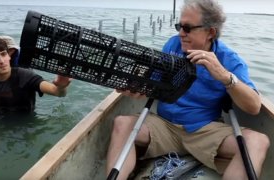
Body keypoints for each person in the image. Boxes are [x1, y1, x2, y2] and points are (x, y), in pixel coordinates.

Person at [106, 0, 270, 179]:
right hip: (165, 126)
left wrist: (224, 76)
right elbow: (153, 81)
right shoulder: (172, 45)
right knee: (122, 124)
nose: (181, 33)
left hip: (204, 130)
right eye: (179, 26)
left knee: (258, 142)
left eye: (187, 28)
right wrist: (136, 87)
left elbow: (253, 106)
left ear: (210, 32)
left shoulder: (229, 59)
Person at [0, 36, 71, 114]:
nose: (1, 60)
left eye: (3, 54)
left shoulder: (25, 76)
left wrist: (62, 86)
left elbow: (57, 92)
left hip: (24, 127)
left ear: (9, 56)